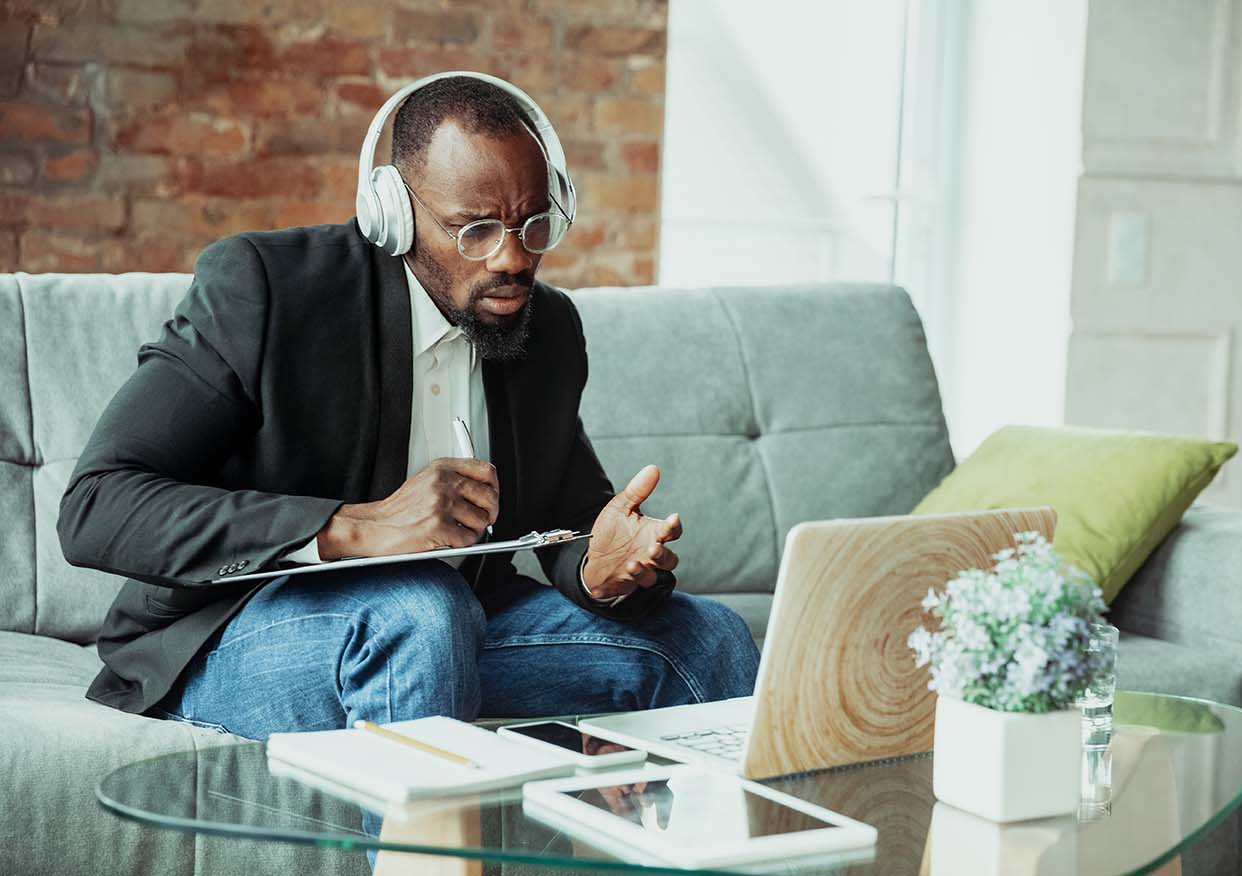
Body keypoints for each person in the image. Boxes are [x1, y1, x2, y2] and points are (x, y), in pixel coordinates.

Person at [57, 73, 760, 739]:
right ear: (391, 213)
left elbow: (571, 517)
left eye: (534, 224)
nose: (514, 258)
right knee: (423, 613)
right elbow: (98, 503)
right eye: (476, 228)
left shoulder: (546, 329)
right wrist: (353, 528)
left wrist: (598, 569)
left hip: (449, 630)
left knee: (709, 638)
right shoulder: (269, 291)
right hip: (231, 635)